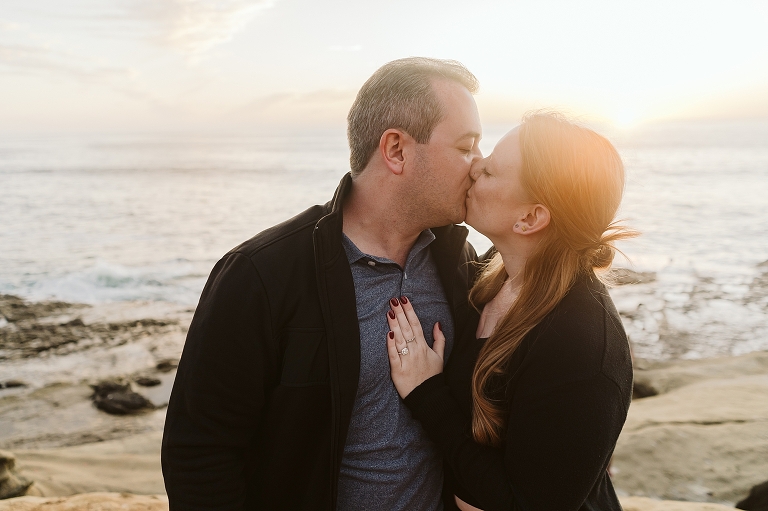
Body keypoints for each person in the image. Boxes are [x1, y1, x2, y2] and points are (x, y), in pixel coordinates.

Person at [161, 57, 483, 511]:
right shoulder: (261, 273)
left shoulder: (459, 263)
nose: (479, 165)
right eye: (467, 146)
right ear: (395, 149)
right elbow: (199, 453)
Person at [385, 112, 635, 511]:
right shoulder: (490, 274)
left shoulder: (583, 343)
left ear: (530, 218)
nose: (475, 165)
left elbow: (525, 503)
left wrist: (425, 394)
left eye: (492, 171)